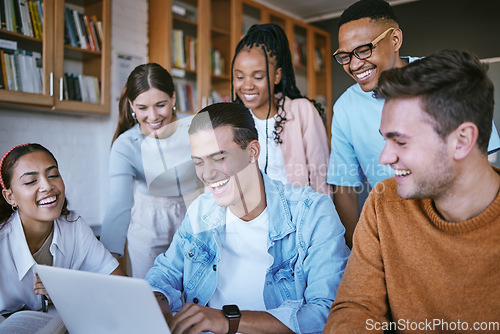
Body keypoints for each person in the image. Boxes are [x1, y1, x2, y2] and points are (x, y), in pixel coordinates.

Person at [325, 49, 500, 332]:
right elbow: (356, 309)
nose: (384, 158)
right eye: (385, 140)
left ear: (462, 140)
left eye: (401, 142)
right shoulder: (383, 203)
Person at [145, 102, 349, 334]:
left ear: (252, 152)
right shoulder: (201, 210)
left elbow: (326, 313)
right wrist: (158, 296)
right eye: (199, 162)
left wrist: (228, 321)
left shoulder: (312, 213)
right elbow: (165, 272)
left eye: (219, 157)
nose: (207, 174)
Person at [326, 0, 500, 248]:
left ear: (395, 39)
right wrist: (356, 250)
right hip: (396, 230)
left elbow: (483, 161)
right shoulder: (345, 107)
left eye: (364, 49)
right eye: (344, 56)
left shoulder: (443, 78)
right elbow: (344, 186)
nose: (354, 65)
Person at [99, 63, 203, 278]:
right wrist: (106, 259)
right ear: (131, 106)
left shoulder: (196, 129)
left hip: (193, 213)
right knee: (151, 294)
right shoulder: (125, 145)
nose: (153, 116)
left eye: (160, 104)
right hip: (148, 221)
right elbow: (120, 204)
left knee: (195, 293)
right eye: (142, 108)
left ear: (173, 99)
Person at [0, 143, 124, 315]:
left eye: (53, 175)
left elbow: (120, 285)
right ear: (10, 197)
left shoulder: (74, 226)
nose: (47, 185)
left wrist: (68, 291)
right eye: (30, 181)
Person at [231, 23, 331, 195]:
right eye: (239, 76)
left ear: (277, 75)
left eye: (258, 77)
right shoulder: (232, 120)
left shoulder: (302, 111)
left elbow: (319, 177)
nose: (247, 85)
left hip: (299, 215)